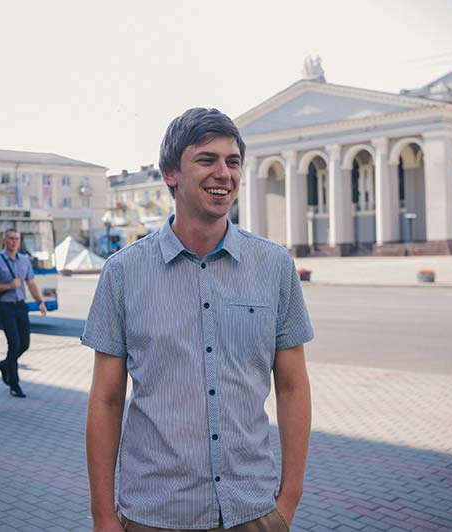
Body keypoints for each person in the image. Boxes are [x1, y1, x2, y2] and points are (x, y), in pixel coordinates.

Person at [83, 108, 314, 532]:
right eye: (206, 160)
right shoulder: (122, 272)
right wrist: (102, 515)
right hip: (155, 514)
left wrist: (288, 499)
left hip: (253, 512)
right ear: (170, 172)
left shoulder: (274, 266)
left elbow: (294, 386)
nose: (223, 173)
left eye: (233, 161)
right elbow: (106, 399)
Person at [0, 229, 47, 398]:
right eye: (11, 239)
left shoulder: (24, 261)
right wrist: (7, 286)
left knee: (24, 344)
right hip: (5, 307)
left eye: (17, 239)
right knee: (14, 344)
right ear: (4, 240)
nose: (14, 242)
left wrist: (40, 301)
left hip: (21, 306)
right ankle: (14, 383)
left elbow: (31, 282)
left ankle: (5, 365)